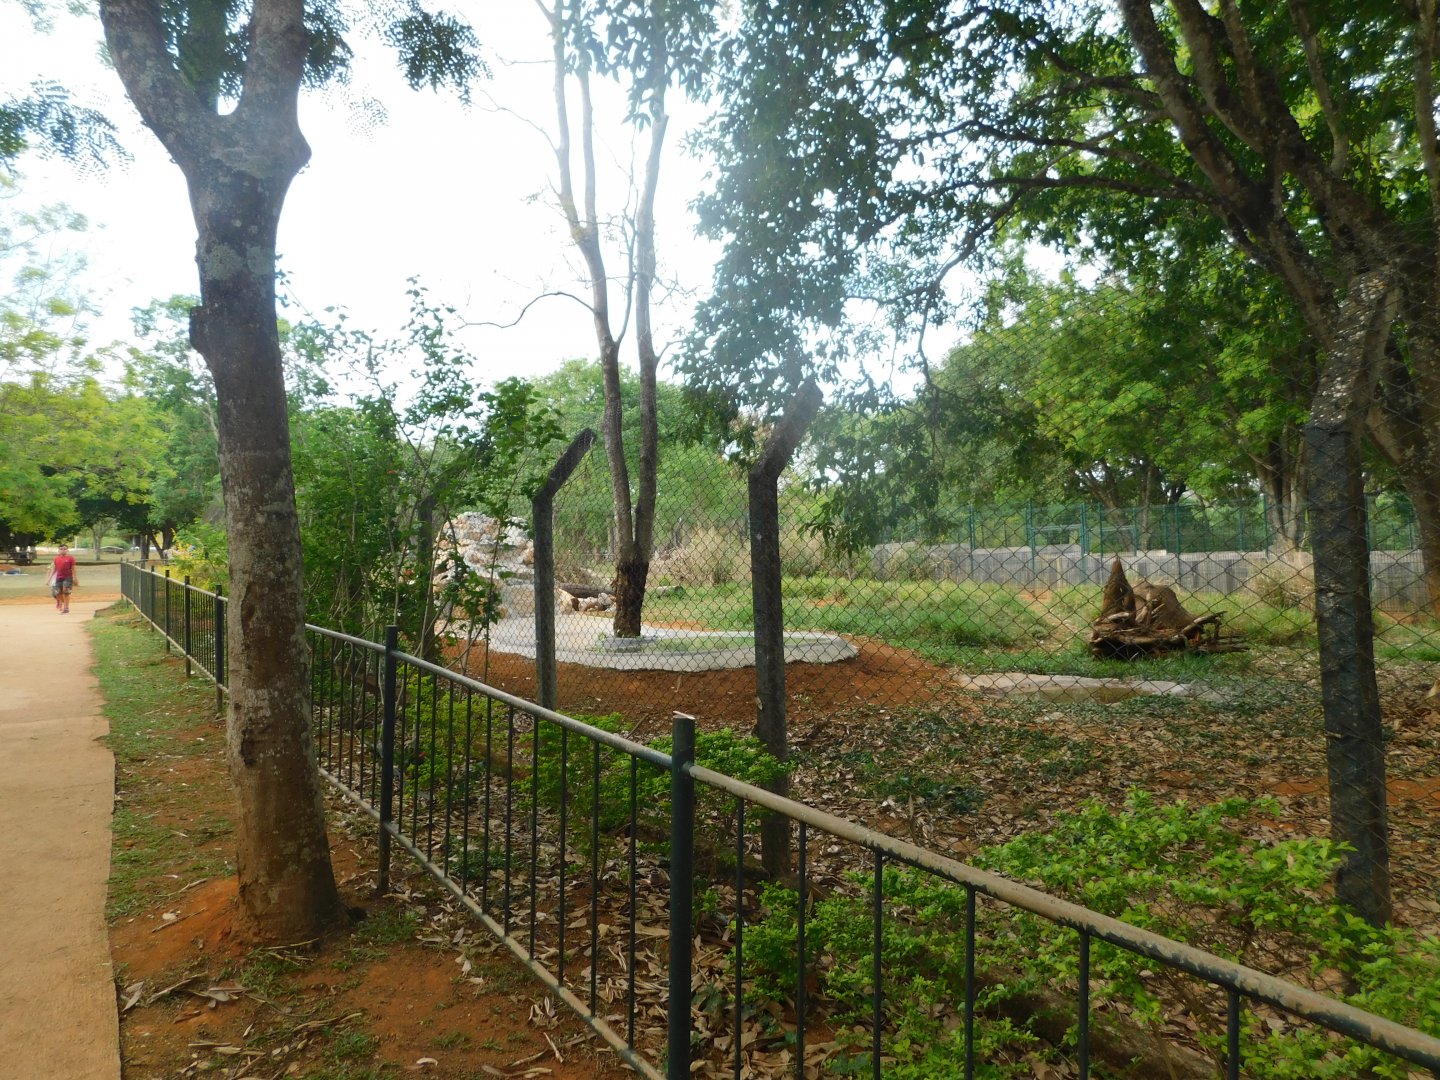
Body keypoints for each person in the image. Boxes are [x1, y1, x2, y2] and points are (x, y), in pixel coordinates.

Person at [46, 543, 78, 613]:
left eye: (64, 549)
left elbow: (73, 569)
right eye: (61, 549)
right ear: (59, 550)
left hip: (68, 577)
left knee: (66, 592)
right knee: (57, 593)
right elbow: (54, 569)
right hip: (59, 578)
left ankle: (66, 608)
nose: (63, 550)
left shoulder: (70, 558)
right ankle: (62, 602)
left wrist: (75, 578)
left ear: (67, 550)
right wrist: (49, 579)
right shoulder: (56, 559)